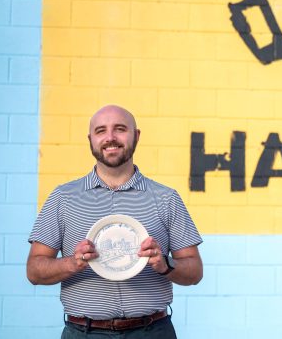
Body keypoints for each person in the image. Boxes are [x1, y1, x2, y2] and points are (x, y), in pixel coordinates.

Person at [27, 105, 203, 338]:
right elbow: (34, 270)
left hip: (152, 332)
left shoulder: (166, 198)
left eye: (120, 129)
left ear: (136, 136)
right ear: (91, 139)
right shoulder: (63, 198)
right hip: (84, 333)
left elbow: (195, 271)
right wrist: (72, 263)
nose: (110, 137)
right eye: (101, 131)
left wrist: (165, 265)